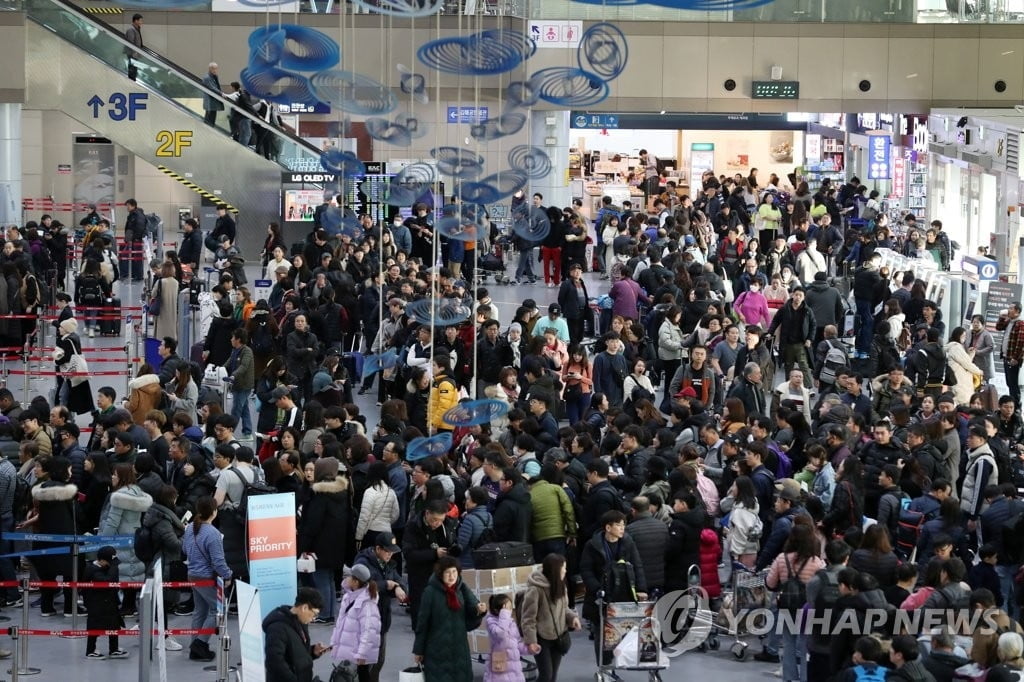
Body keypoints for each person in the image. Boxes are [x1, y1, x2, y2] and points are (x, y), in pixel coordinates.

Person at [412, 555, 486, 682]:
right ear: (440, 574)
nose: (451, 576)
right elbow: (422, 623)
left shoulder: (462, 588)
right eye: (447, 572)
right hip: (436, 650)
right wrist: (418, 650)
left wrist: (479, 611)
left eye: (454, 572)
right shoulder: (430, 592)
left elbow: (471, 615)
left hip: (460, 650)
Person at [298, 456, 349, 624]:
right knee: (329, 579)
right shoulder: (342, 491)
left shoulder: (319, 494)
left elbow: (313, 522)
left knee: (321, 578)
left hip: (320, 543)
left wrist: (304, 544)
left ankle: (325, 614)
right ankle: (331, 612)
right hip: (337, 543)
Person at [183, 496, 232, 662]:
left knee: (200, 611)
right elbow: (218, 561)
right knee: (219, 610)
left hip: (192, 574)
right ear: (214, 512)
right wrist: (228, 574)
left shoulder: (189, 528)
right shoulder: (213, 534)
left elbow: (184, 548)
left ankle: (195, 647)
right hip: (206, 577)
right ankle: (199, 643)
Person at [520, 554, 580, 682]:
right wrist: (531, 641)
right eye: (563, 568)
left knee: (552, 676)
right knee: (546, 675)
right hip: (541, 639)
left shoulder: (561, 586)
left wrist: (572, 618)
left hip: (558, 636)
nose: (565, 570)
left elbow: (564, 609)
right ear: (555, 570)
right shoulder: (535, 590)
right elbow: (528, 618)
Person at [262, 587, 329, 682]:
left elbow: (294, 653)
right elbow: (274, 663)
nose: (314, 619)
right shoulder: (277, 628)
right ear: (304, 608)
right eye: (314, 614)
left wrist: (313, 651)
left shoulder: (300, 621)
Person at [329, 563, 381, 682]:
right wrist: (334, 642)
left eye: (348, 576)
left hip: (358, 653)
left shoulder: (367, 604)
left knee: (362, 676)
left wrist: (362, 654)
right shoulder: (349, 597)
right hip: (351, 650)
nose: (345, 578)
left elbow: (368, 631)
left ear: (356, 582)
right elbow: (340, 624)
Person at [83, 546, 128, 659]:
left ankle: (114, 649)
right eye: (110, 562)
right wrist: (113, 567)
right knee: (94, 626)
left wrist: (113, 567)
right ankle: (90, 650)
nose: (112, 565)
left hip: (110, 601)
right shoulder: (92, 570)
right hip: (96, 604)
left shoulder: (108, 568)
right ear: (101, 560)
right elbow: (107, 582)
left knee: (114, 624)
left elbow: (114, 582)